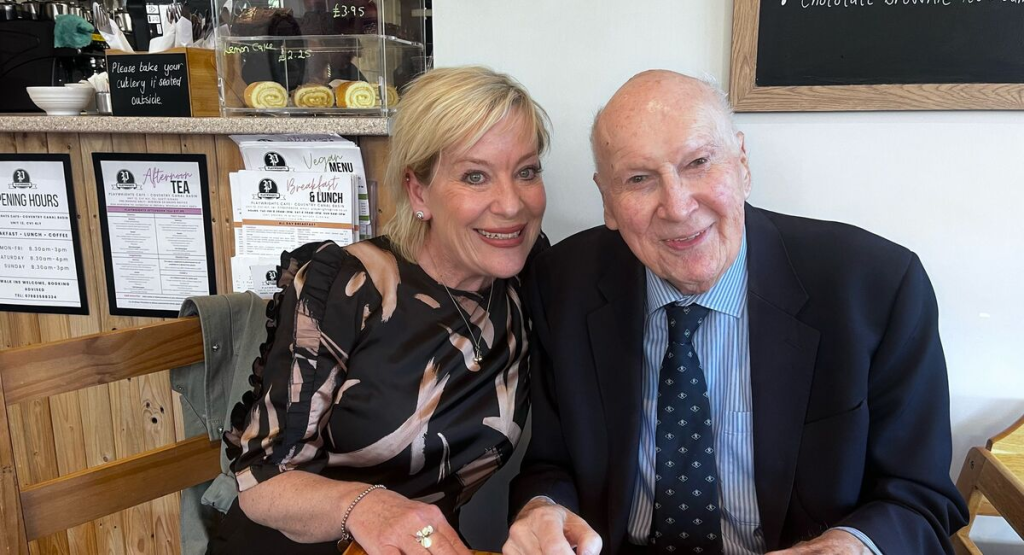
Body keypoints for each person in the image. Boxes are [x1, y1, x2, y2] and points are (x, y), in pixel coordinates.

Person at [504, 70, 968, 555]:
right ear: (608, 201)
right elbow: (551, 464)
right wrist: (542, 508)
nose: (677, 207)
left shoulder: (877, 287)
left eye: (698, 163)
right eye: (639, 179)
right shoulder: (562, 284)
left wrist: (849, 546)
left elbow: (920, 498)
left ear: (742, 164)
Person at [208, 65, 550, 555]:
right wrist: (367, 508)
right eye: (475, 176)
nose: (512, 204)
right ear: (418, 191)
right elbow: (261, 480)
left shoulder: (526, 279)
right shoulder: (345, 286)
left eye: (526, 171)